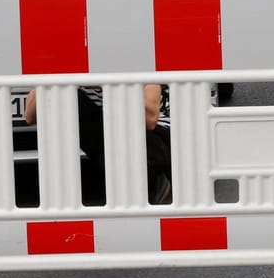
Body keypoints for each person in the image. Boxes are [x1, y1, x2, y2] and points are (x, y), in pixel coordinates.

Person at [26, 84, 172, 206]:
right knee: (66, 97)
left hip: (152, 137)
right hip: (109, 140)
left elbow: (150, 119)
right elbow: (30, 115)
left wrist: (109, 86)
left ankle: (154, 179)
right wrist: (53, 77)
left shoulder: (134, 61)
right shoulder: (70, 66)